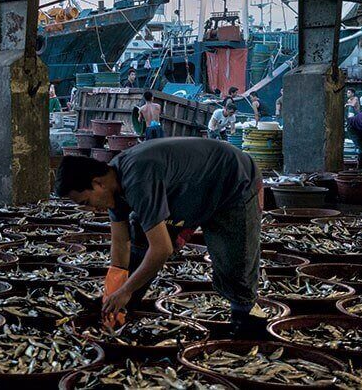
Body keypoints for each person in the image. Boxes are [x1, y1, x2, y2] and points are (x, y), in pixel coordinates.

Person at [54, 139, 264, 338]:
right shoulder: (113, 184)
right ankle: (124, 311)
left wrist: (126, 290)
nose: (90, 209)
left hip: (234, 181)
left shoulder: (137, 179)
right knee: (140, 238)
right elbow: (120, 244)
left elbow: (162, 249)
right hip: (193, 190)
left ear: (97, 183)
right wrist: (112, 294)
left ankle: (245, 324)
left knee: (234, 260)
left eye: (86, 202)